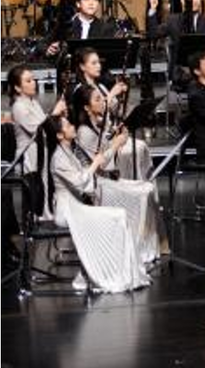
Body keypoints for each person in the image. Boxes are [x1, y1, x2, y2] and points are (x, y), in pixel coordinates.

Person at [47, 115, 150, 293]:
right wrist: (95, 163)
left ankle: (119, 269)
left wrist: (102, 157)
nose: (73, 126)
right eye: (68, 125)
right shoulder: (58, 157)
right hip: (67, 211)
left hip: (75, 206)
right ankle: (112, 272)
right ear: (59, 135)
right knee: (118, 215)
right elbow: (81, 182)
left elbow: (87, 175)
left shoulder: (68, 151)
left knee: (119, 213)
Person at [75, 89, 162, 263]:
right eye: (97, 99)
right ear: (86, 107)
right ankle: (134, 248)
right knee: (141, 193)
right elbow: (100, 163)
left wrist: (115, 136)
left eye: (102, 98)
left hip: (105, 180)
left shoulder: (98, 124)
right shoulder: (84, 132)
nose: (103, 102)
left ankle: (141, 246)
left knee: (147, 188)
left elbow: (104, 149)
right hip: (96, 187)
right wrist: (116, 144)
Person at [8, 65, 67, 219]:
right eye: (28, 81)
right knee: (35, 188)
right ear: (17, 88)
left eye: (33, 79)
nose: (33, 83)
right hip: (28, 155)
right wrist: (54, 113)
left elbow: (45, 124)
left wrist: (57, 117)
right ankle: (34, 220)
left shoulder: (34, 102)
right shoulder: (18, 106)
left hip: (41, 150)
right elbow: (38, 129)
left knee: (45, 185)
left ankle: (46, 215)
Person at [46, 0, 117, 55]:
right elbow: (43, 44)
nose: (91, 3)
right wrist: (49, 49)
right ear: (78, 4)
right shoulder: (66, 26)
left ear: (98, 4)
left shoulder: (105, 28)